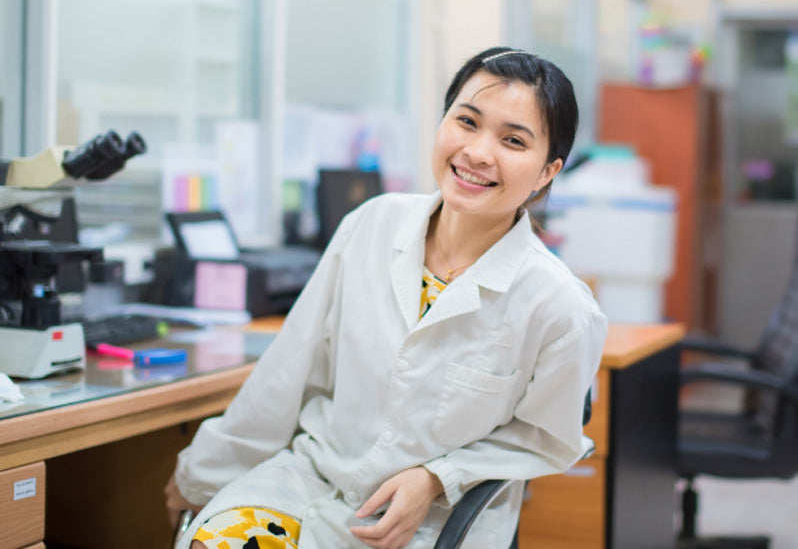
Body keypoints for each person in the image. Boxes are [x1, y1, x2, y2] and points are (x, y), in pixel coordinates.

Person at [165, 47, 607, 549]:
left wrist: (439, 476)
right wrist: (203, 476)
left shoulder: (559, 306)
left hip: (426, 522)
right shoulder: (372, 225)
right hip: (311, 480)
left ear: (547, 171)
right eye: (467, 121)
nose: (479, 153)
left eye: (512, 140)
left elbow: (546, 438)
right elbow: (288, 371)